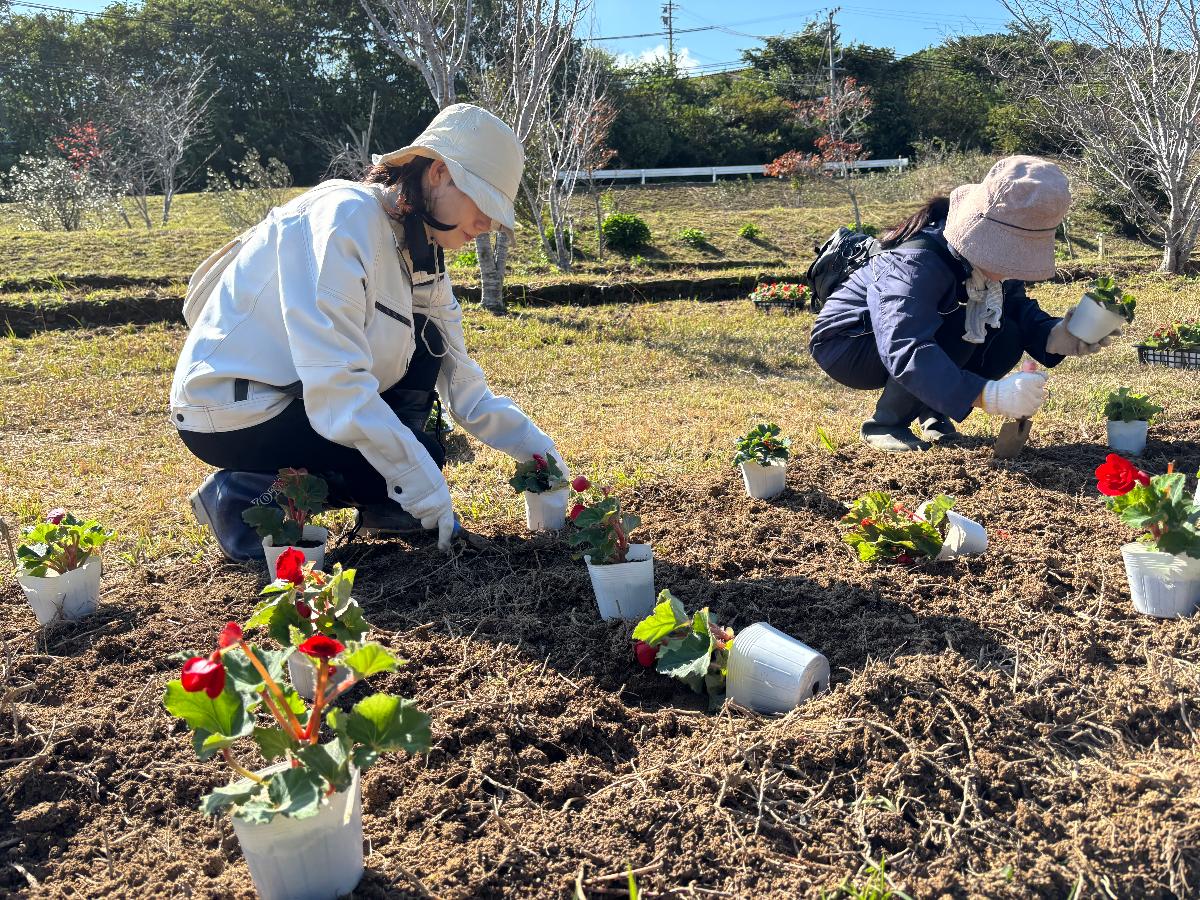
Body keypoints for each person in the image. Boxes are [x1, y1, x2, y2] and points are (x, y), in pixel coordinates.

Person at [170, 103, 567, 560]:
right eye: (483, 204)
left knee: (425, 368)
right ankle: (242, 494)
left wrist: (541, 455)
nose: (487, 225)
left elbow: (465, 385)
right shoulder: (343, 218)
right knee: (415, 460)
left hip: (302, 395)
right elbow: (336, 386)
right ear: (437, 173)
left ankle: (383, 497)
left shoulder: (420, 250)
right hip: (234, 408)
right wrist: (421, 485)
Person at [809, 155, 1116, 452]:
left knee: (1005, 334)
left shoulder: (988, 265)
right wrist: (988, 395)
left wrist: (1059, 334)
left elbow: (1017, 310)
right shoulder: (918, 261)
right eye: (1011, 253)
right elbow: (904, 341)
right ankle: (885, 424)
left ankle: (933, 410)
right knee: (957, 329)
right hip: (851, 343)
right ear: (984, 239)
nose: (1014, 267)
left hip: (913, 333)